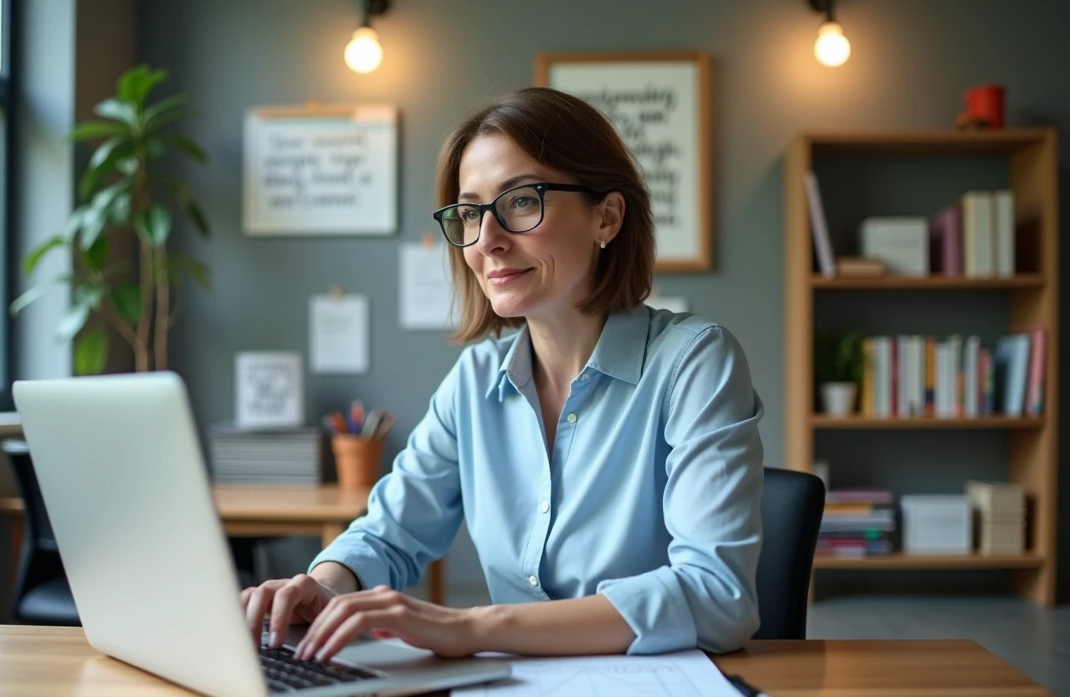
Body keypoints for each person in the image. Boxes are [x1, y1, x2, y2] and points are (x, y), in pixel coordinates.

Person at [242, 87, 764, 664]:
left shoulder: (694, 362)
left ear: (607, 217)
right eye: (469, 213)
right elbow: (389, 533)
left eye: (520, 201)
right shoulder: (474, 380)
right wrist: (326, 585)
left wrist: (474, 628)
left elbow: (719, 597)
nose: (486, 239)